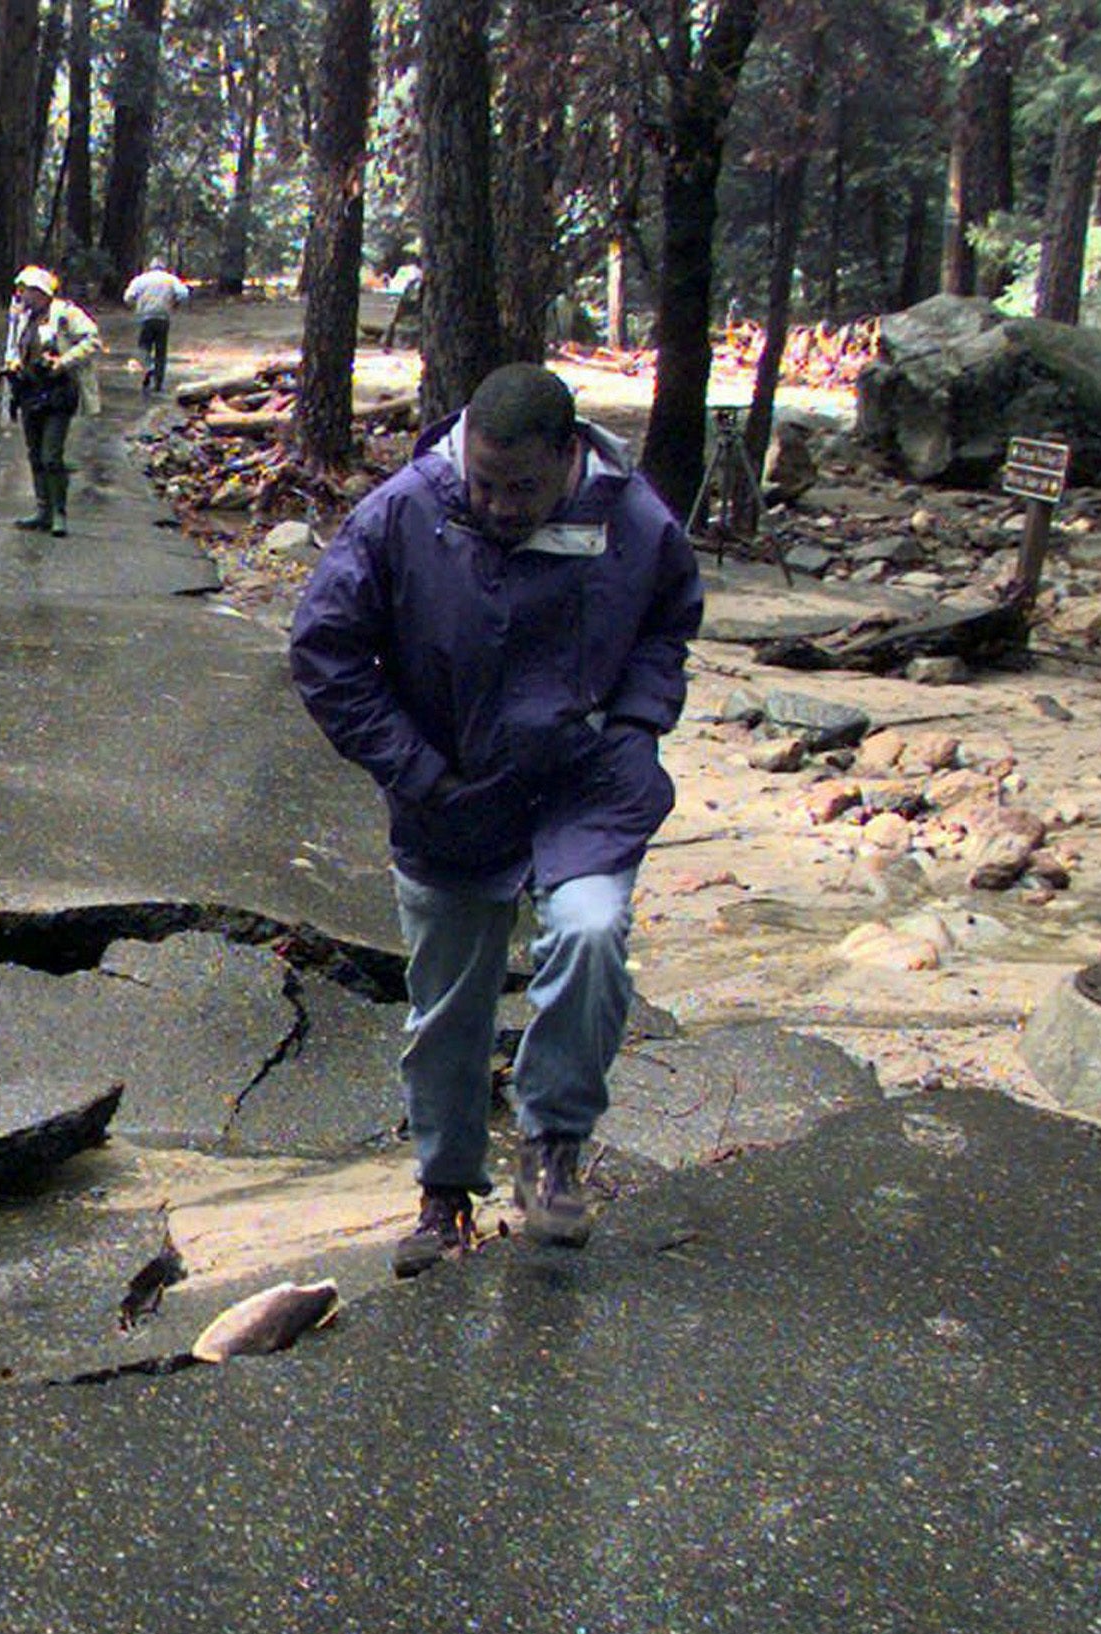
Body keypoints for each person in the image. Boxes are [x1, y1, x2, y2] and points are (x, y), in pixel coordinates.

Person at [289, 363, 698, 1272]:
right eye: (483, 483)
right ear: (464, 447)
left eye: (520, 488)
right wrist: (417, 772)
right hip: (452, 790)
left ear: (568, 456)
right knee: (449, 1009)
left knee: (591, 937)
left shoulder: (632, 520)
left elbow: (669, 624)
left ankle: (553, 1148)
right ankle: (445, 1196)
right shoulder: (406, 510)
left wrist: (636, 725)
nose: (499, 505)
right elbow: (324, 648)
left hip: (585, 783)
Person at [0, 265, 100, 537]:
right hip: (29, 392)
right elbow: (17, 348)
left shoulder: (66, 314)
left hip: (58, 393)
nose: (21, 295)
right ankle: (43, 510)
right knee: (34, 453)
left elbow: (92, 340)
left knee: (51, 455)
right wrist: (14, 365)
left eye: (26, 290)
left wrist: (63, 362)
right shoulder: (22, 318)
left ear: (40, 292)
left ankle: (59, 513)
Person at [121, 257, 189, 395]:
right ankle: (158, 382)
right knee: (161, 350)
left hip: (145, 317)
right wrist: (175, 304)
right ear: (164, 267)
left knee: (144, 346)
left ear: (149, 266)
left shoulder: (140, 280)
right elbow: (183, 294)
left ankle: (148, 367)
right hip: (163, 317)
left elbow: (128, 297)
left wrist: (135, 306)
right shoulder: (170, 279)